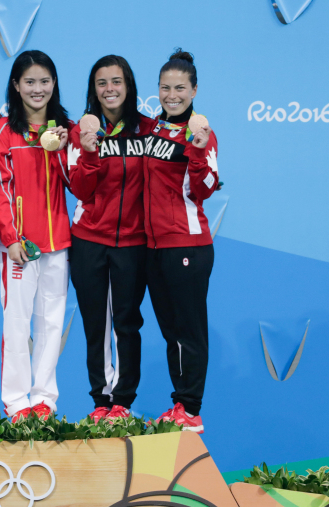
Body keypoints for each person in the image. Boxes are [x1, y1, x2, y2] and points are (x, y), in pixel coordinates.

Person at [67, 55, 153, 423]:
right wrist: (88, 150)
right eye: (102, 83)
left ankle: (123, 400)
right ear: (94, 90)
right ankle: (101, 402)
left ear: (129, 86)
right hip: (89, 239)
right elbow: (80, 189)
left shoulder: (148, 131)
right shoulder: (80, 131)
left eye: (116, 82)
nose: (110, 89)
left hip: (133, 243)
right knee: (96, 325)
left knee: (127, 322)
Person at [0, 50, 71, 423]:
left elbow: (78, 184)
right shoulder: (3, 130)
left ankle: (45, 399)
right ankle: (17, 401)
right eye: (30, 82)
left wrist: (69, 148)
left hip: (58, 243)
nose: (38, 89)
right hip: (21, 246)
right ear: (16, 86)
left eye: (45, 81)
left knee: (52, 322)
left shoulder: (66, 129)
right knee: (17, 324)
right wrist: (11, 237)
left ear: (54, 84)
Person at [145, 49, 218, 434]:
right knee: (171, 332)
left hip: (187, 245)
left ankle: (191, 408)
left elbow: (204, 188)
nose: (171, 94)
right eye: (165, 88)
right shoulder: (152, 129)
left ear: (193, 91)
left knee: (189, 331)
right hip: (153, 249)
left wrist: (199, 147)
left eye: (180, 88)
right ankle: (180, 406)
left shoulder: (201, 133)